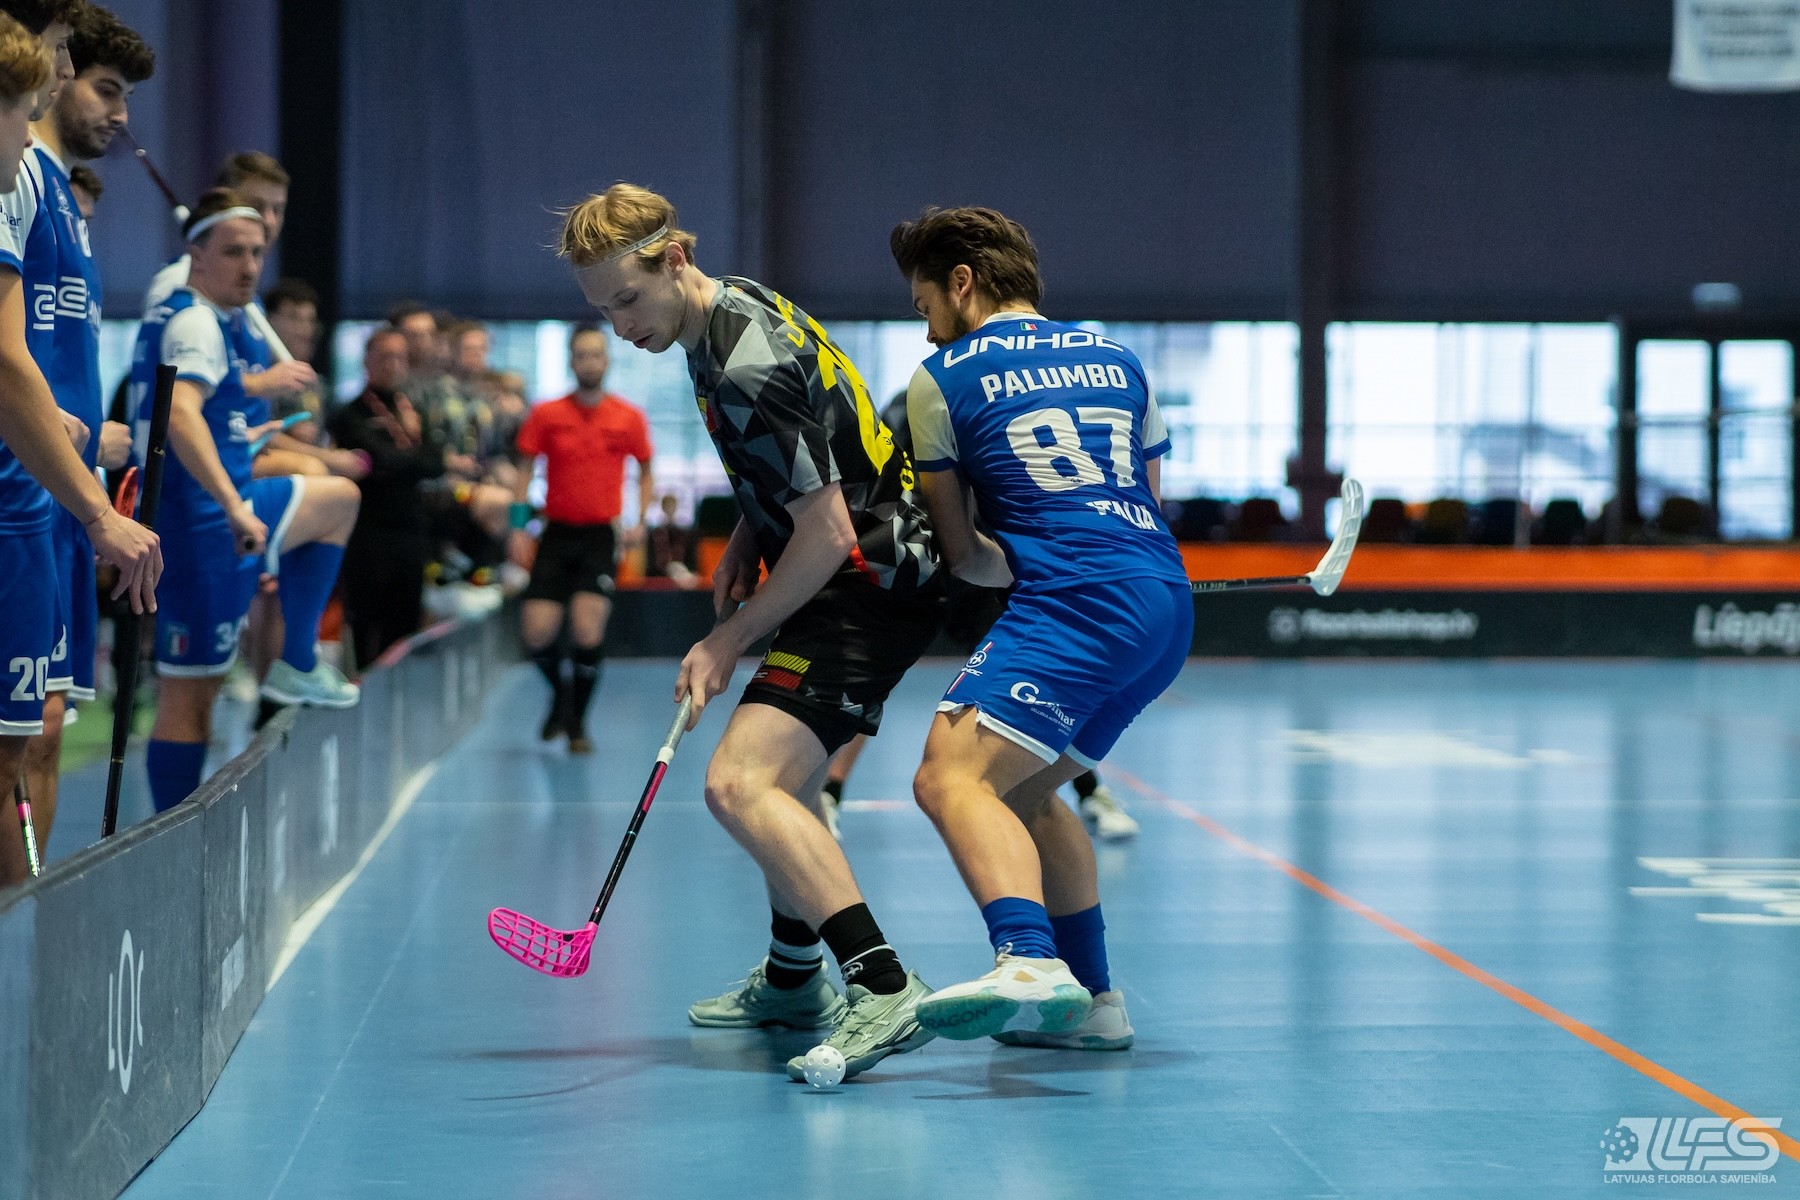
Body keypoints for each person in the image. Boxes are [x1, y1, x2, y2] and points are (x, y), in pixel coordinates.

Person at [558, 183, 943, 1081]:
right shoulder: (728, 307)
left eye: (628, 299)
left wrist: (727, 638)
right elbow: (808, 456)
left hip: (868, 584)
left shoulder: (739, 363)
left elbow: (830, 531)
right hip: (846, 567)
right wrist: (748, 533)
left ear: (675, 259)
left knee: (738, 783)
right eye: (602, 309)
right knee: (785, 784)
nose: (620, 325)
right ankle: (794, 979)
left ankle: (884, 986)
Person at [894, 206, 1193, 1050]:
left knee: (947, 776)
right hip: (1165, 604)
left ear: (962, 284)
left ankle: (1027, 957)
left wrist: (1013, 555)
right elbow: (1149, 503)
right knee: (1023, 792)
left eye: (925, 307)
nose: (928, 330)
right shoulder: (1121, 360)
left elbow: (967, 556)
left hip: (1075, 605)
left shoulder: (940, 378)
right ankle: (1097, 1006)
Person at [0, 2, 161, 887]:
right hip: (25, 494)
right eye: (100, 83)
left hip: (57, 496)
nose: (116, 111)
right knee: (16, 740)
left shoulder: (63, 196)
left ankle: (28, 921)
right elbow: (7, 358)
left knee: (43, 730)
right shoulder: (19, 175)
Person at [135, 191, 361, 815]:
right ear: (197, 253)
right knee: (190, 697)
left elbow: (210, 413)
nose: (250, 266)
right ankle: (171, 835)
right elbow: (179, 414)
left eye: (258, 253)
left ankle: (296, 661)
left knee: (339, 500)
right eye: (234, 252)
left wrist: (247, 432)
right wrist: (235, 505)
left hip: (229, 504)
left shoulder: (225, 322)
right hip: (203, 522)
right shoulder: (195, 323)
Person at [513, 326, 652, 753]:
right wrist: (517, 526)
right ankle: (561, 697)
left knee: (587, 630)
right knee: (536, 632)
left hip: (599, 535)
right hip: (556, 532)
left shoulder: (628, 416)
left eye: (596, 354)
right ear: (571, 362)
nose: (589, 362)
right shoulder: (546, 413)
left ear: (607, 360)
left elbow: (646, 469)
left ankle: (576, 725)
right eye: (581, 355)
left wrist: (640, 521)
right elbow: (524, 470)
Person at [327, 326, 472, 668]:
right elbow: (384, 461)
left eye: (399, 357)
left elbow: (432, 457)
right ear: (367, 360)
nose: (392, 365)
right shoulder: (350, 414)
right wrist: (426, 460)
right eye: (385, 356)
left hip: (411, 528)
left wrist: (420, 455)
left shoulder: (412, 410)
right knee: (366, 621)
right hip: (368, 531)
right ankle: (362, 689)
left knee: (405, 624)